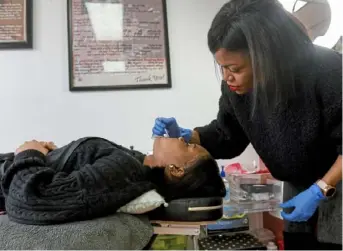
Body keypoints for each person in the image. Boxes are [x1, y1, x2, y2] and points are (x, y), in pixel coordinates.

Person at [152, 0, 342, 249]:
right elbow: (227, 135)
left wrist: (321, 188)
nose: (227, 77)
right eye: (222, 67)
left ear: (267, 56)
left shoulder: (328, 71)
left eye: (234, 68)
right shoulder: (236, 90)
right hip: (299, 185)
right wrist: (189, 135)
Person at [0, 137, 225, 225]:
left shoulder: (126, 172)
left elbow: (34, 198)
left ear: (176, 170)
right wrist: (57, 157)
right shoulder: (135, 164)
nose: (181, 138)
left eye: (187, 145)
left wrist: (29, 153)